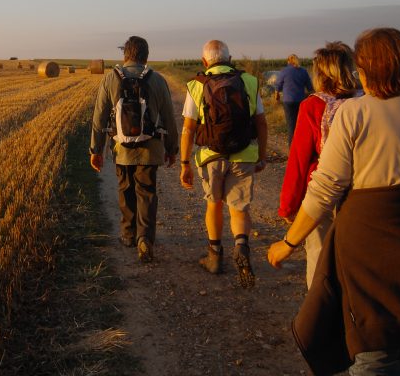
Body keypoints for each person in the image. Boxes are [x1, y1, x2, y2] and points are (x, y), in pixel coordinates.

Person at [268, 28, 400, 375]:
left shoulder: (355, 114)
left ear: (370, 69)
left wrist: (288, 242)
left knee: (374, 349)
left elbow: (324, 188)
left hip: (370, 251)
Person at [180, 40, 268, 288]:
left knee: (214, 205)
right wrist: (261, 155)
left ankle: (214, 257)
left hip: (211, 156)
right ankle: (241, 246)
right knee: (239, 208)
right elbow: (261, 122)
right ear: (229, 60)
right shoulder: (249, 82)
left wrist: (185, 163)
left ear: (204, 61)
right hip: (243, 154)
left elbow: (188, 129)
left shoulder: (197, 85)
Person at [277, 41, 360, 288]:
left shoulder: (314, 105)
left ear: (320, 73)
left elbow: (299, 162)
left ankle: (319, 314)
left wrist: (288, 206)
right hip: (362, 194)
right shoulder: (367, 102)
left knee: (319, 256)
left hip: (323, 196)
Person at [90, 36, 179, 263]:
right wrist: (172, 148)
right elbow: (169, 117)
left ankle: (128, 234)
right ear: (146, 56)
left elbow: (99, 118)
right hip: (151, 148)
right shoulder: (157, 80)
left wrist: (96, 150)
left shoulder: (111, 78)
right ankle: (145, 239)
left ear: (125, 55)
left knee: (125, 188)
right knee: (147, 192)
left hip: (121, 148)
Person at [275, 54, 313, 148]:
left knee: (291, 125)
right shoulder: (303, 71)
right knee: (300, 124)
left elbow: (278, 86)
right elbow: (310, 87)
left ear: (288, 61)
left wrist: (277, 96)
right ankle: (302, 147)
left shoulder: (284, 71)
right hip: (301, 101)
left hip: (288, 101)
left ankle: (292, 149)